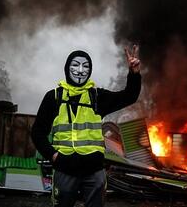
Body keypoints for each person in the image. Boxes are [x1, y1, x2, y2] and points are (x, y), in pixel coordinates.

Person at [31, 45, 141, 207]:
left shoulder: (97, 96)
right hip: (65, 169)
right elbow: (37, 133)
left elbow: (129, 96)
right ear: (67, 68)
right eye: (75, 65)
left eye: (86, 66)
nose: (81, 70)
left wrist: (134, 74)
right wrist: (54, 156)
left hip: (94, 171)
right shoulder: (54, 97)